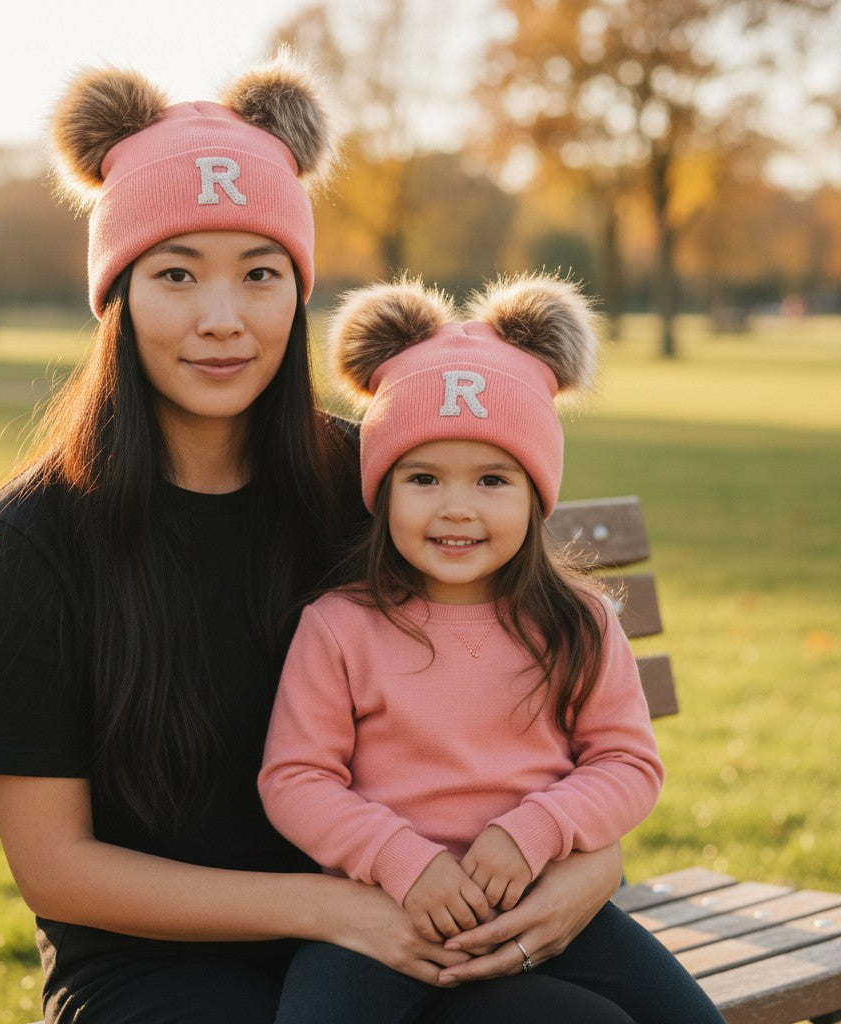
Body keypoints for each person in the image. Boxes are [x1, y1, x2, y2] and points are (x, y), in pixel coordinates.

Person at [0, 50, 688, 1024]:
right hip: (165, 963)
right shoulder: (38, 535)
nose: (222, 320)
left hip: (411, 918)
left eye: (260, 274)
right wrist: (333, 910)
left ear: (299, 291)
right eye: (176, 274)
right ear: (118, 294)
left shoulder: (379, 487)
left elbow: (542, 721)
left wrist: (585, 871)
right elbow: (56, 869)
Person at [259, 275, 729, 1024]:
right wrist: (402, 862)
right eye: (422, 478)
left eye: (491, 479)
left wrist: (532, 832)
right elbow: (296, 779)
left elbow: (627, 763)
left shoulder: (578, 624)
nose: (457, 508)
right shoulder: (340, 626)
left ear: (535, 494)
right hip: (383, 915)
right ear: (382, 491)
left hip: (543, 902)